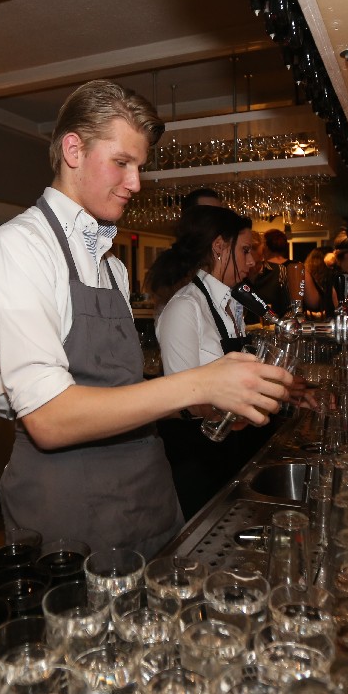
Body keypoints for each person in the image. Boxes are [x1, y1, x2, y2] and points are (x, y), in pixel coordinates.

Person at [0, 80, 292, 558]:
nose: (136, 183)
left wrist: (201, 405)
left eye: (139, 167)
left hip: (148, 495)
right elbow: (48, 418)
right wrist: (200, 383)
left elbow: (118, 390)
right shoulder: (17, 248)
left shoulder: (111, 265)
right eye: (122, 163)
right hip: (71, 508)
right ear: (73, 150)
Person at [152, 205, 267, 517]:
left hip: (231, 449)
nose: (251, 261)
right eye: (245, 250)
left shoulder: (232, 305)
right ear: (219, 247)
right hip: (197, 458)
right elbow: (179, 398)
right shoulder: (185, 307)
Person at [247, 227, 294, 318]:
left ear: (264, 254)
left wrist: (280, 324)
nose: (254, 268)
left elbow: (290, 309)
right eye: (248, 263)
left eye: (258, 262)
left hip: (275, 326)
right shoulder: (235, 276)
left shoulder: (279, 271)